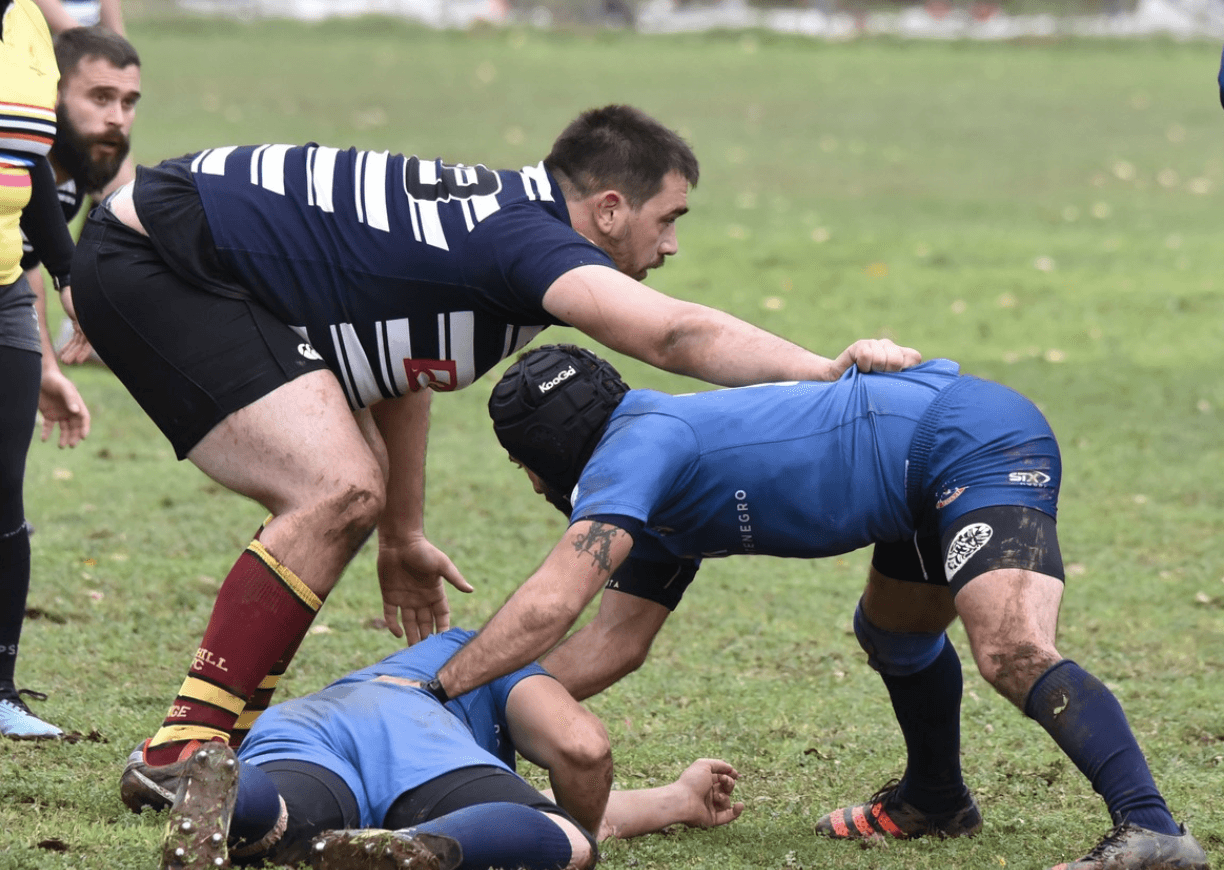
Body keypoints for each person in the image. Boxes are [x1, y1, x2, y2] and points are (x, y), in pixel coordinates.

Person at [66, 103, 920, 807]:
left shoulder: (494, 236)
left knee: (352, 491)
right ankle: (183, 753)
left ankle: (216, 749)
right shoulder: (527, 244)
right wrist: (824, 371)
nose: (670, 246)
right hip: (155, 256)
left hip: (176, 247)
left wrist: (404, 534)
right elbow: (671, 334)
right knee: (335, 489)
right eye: (667, 220)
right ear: (609, 209)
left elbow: (402, 367)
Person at [420, 344, 1208, 870]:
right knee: (895, 633)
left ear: (545, 459)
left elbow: (553, 602)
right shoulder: (651, 494)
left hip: (970, 440)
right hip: (913, 478)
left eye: (526, 467)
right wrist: (491, 714)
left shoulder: (634, 450)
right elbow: (610, 645)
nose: (533, 485)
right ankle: (936, 801)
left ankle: (1153, 830)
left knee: (1011, 650)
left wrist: (438, 690)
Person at [156, 627, 744, 870]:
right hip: (416, 729)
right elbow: (582, 748)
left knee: (281, 822)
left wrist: (680, 798)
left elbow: (530, 802)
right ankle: (410, 848)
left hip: (308, 724)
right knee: (560, 834)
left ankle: (235, 792)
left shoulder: (411, 667)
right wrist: (579, 838)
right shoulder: (493, 657)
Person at [0, 0, 90, 738]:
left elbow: (26, 156)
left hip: (4, 290)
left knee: (4, 488)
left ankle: (0, 692)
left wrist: (68, 274)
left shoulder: (31, 24)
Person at [21, 24, 139, 364]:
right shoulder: (13, 169)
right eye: (100, 98)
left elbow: (24, 268)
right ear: (52, 93)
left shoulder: (70, 186)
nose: (117, 119)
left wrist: (45, 367)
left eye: (128, 102)